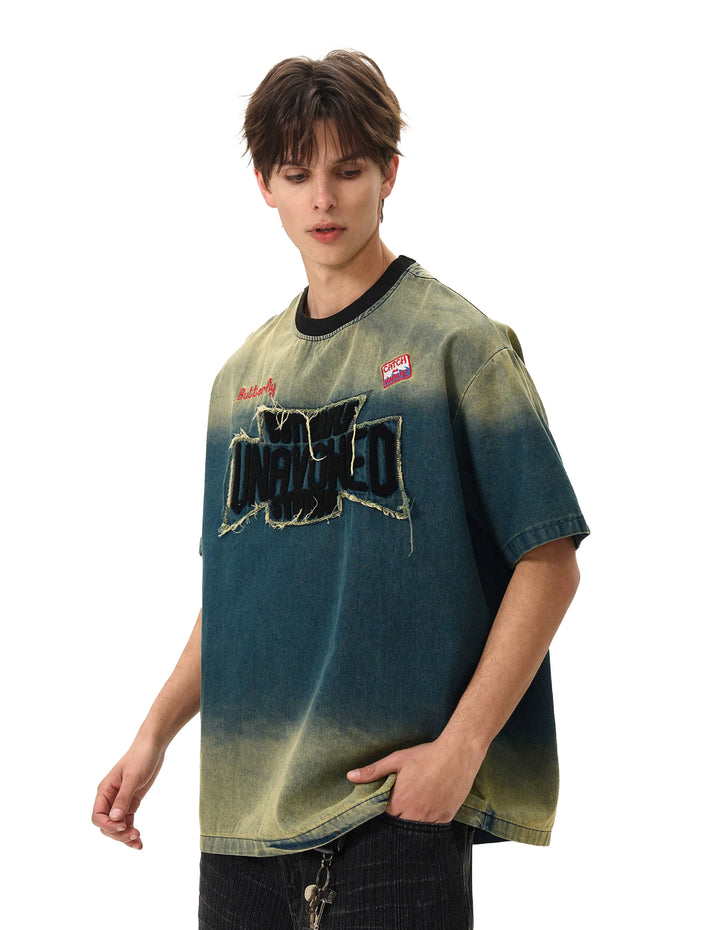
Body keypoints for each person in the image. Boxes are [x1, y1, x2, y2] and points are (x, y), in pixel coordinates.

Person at [93, 49, 590, 930]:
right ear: (265, 186)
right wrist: (153, 735)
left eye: (348, 171)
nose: (324, 199)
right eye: (298, 175)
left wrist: (460, 751)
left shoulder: (458, 346)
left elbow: (548, 560)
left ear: (389, 173)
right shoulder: (239, 381)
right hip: (242, 823)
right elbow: (235, 593)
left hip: (389, 812)